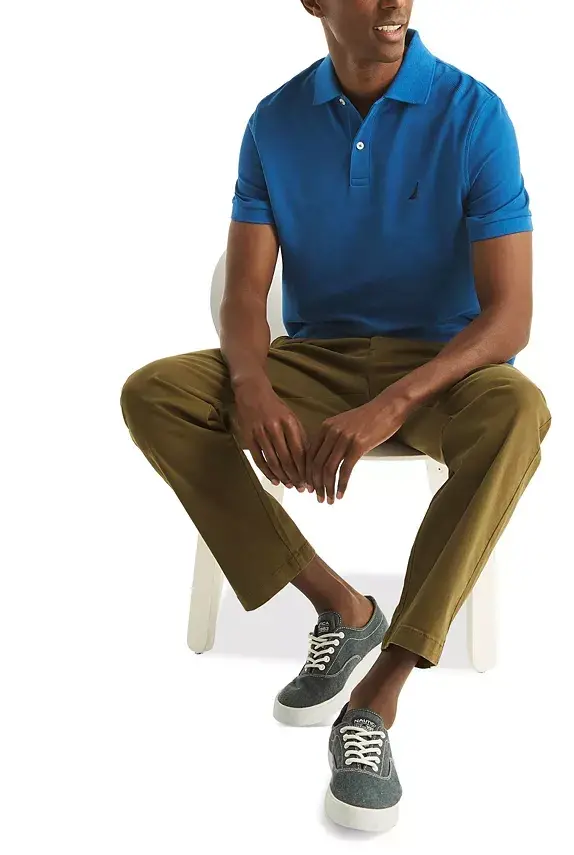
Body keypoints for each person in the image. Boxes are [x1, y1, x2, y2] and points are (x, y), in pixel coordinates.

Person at [120, 0, 551, 833]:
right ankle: (342, 605)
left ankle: (379, 693)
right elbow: (246, 290)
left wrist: (392, 403)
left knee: (519, 411)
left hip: (440, 369)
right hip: (314, 359)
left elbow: (510, 318)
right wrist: (253, 384)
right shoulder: (274, 121)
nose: (394, 3)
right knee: (155, 392)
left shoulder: (474, 114)